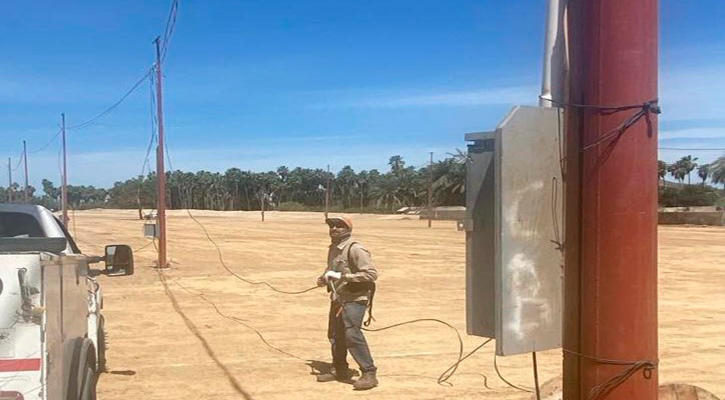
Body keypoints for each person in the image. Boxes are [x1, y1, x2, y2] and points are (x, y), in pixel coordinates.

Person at [315, 215, 379, 390]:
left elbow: (371, 274)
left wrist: (344, 277)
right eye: (332, 226)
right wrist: (324, 278)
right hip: (338, 297)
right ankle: (340, 369)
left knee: (352, 334)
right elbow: (331, 270)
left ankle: (369, 372)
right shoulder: (333, 249)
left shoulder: (356, 249)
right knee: (335, 335)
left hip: (355, 299)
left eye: (339, 226)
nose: (334, 229)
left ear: (348, 229)